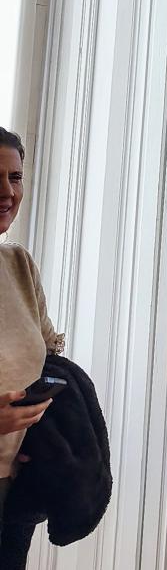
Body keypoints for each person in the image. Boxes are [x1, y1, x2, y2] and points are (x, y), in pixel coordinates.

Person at [0, 127, 63, 526]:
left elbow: (50, 357)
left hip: (15, 482)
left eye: (15, 177)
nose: (7, 192)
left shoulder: (18, 264)